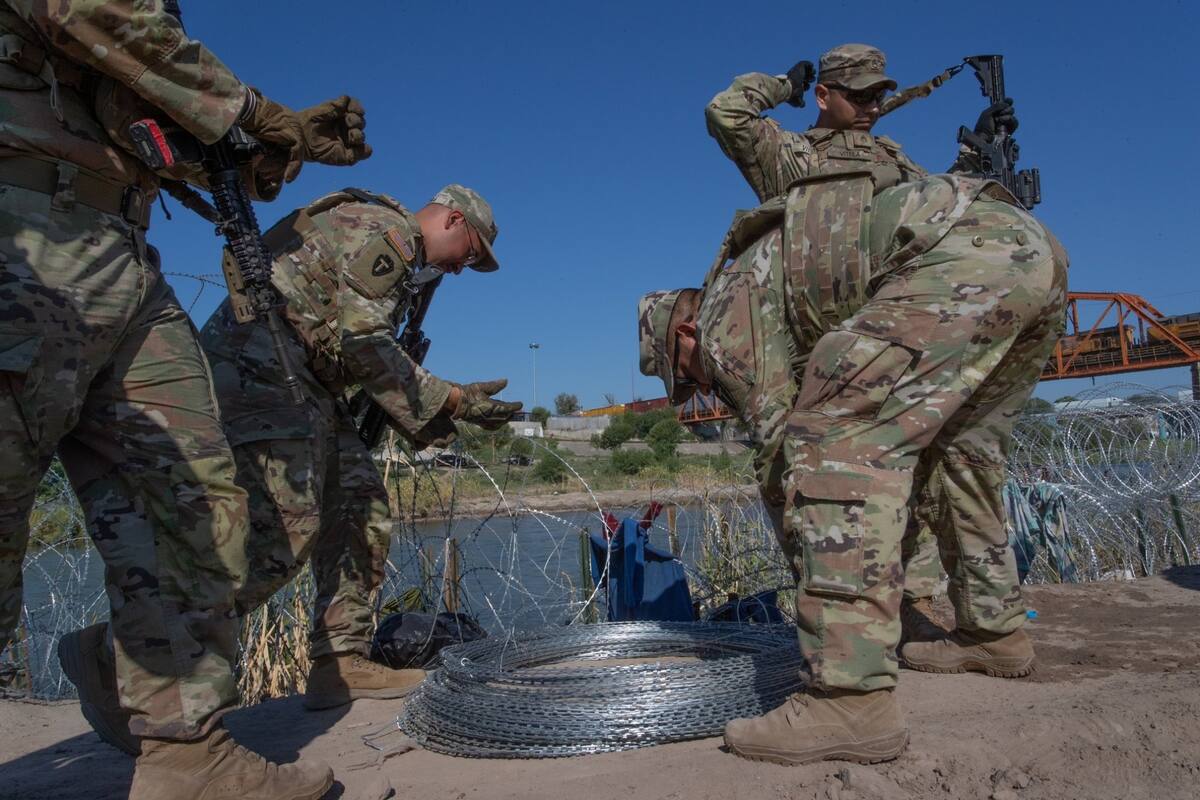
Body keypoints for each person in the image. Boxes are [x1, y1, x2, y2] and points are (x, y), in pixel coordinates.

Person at [0, 2, 367, 797]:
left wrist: (279, 146)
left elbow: (158, 130)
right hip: (19, 232)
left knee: (198, 503)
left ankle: (185, 749)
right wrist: (250, 109)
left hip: (122, 248)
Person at [638, 169, 1068, 764]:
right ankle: (994, 633)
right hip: (1029, 249)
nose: (700, 387)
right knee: (961, 457)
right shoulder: (765, 282)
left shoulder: (719, 314)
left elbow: (782, 456)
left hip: (960, 256)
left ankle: (850, 701)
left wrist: (819, 577)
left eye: (685, 373)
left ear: (686, 332)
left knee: (834, 441)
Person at [705, 43, 1019, 640]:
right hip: (811, 342)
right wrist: (783, 84)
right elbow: (727, 113)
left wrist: (974, 157)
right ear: (824, 95)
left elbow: (934, 223)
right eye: (859, 94)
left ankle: (911, 604)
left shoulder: (893, 157)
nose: (873, 104)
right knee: (797, 473)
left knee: (917, 470)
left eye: (880, 93)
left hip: (889, 330)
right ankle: (831, 612)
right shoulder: (791, 154)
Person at [198, 184, 520, 711]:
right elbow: (364, 342)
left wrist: (431, 410)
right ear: (454, 220)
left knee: (359, 505)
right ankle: (153, 639)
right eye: (470, 253)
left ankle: (340, 662)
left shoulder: (406, 264)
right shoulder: (387, 233)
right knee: (285, 527)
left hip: (305, 378)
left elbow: (359, 348)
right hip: (260, 363)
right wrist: (455, 400)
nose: (461, 268)